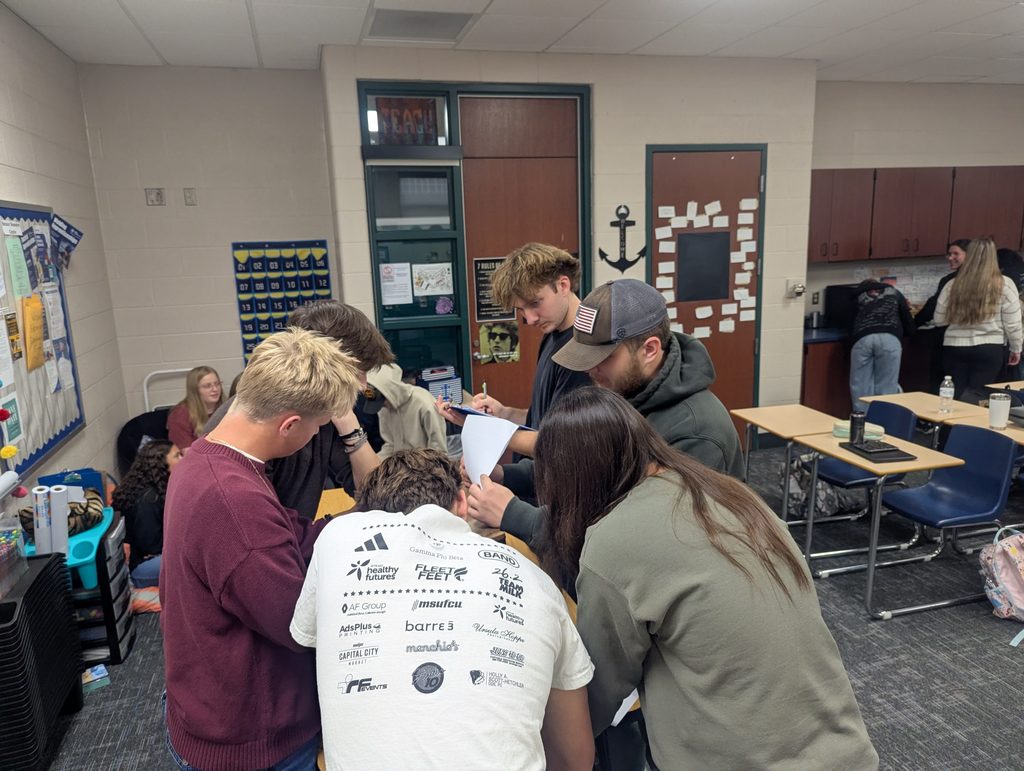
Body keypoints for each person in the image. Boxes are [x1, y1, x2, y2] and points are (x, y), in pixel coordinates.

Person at [533, 387, 878, 770]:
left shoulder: (614, 538)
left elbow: (595, 694)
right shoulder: (732, 494)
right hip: (846, 750)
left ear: (573, 481)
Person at [290, 449, 595, 771]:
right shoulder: (533, 577)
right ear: (462, 503)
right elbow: (576, 759)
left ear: (366, 511)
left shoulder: (337, 538)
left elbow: (305, 639)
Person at [161, 328, 362, 771]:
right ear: (290, 425)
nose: (314, 437)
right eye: (316, 428)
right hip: (252, 736)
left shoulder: (210, 458)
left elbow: (293, 534)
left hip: (211, 700)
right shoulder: (233, 502)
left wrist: (370, 517)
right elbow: (297, 626)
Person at [469, 278, 744, 546]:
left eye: (602, 359)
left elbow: (636, 541)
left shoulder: (695, 434)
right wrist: (507, 476)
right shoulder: (623, 394)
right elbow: (583, 463)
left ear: (649, 349)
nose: (590, 370)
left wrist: (517, 516)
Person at [205, 300, 393, 517]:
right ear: (321, 362)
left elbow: (377, 495)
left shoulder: (325, 416)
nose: (362, 384)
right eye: (356, 372)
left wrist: (349, 424)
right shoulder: (248, 423)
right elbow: (265, 529)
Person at [438, 243, 592, 457]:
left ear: (563, 285)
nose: (529, 319)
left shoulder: (585, 352)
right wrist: (504, 413)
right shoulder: (551, 336)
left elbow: (561, 444)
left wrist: (486, 429)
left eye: (535, 303)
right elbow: (543, 419)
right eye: (521, 309)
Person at [933, 237, 1023, 401]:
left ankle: (950, 426)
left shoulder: (952, 284)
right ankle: (972, 427)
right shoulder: (1005, 284)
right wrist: (1016, 348)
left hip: (955, 348)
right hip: (990, 349)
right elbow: (1013, 323)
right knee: (979, 397)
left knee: (954, 396)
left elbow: (939, 319)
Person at [111, 439, 181, 588]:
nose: (183, 459)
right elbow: (151, 547)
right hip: (139, 568)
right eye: (177, 456)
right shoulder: (148, 499)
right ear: (161, 464)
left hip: (150, 558)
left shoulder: (154, 487)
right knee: (191, 561)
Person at [848, 279, 914, 411]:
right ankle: (883, 422)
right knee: (887, 386)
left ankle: (861, 423)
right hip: (890, 339)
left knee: (860, 385)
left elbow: (847, 321)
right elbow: (909, 323)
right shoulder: (894, 293)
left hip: (863, 338)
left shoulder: (857, 295)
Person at [365, 363, 447, 458]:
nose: (382, 406)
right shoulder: (383, 409)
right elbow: (390, 446)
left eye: (383, 401)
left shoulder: (424, 404)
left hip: (425, 466)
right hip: (400, 467)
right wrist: (373, 465)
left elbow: (439, 451)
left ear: (391, 392)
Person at [166, 365, 224, 450]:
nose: (215, 389)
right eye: (207, 386)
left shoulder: (226, 407)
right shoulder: (180, 414)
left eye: (217, 384)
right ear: (195, 390)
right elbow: (187, 454)